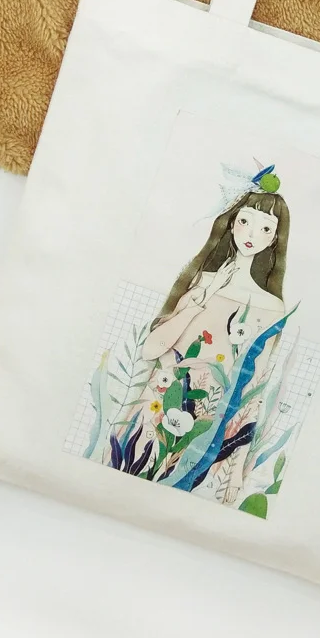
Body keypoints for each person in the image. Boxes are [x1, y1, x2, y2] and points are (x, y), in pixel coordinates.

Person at [105, 185, 292, 505]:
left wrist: (236, 467)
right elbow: (151, 350)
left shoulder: (272, 307)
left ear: (275, 239)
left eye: (266, 229)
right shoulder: (202, 282)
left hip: (211, 423)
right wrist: (202, 297)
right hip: (155, 410)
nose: (252, 234)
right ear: (231, 223)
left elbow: (253, 388)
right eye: (245, 221)